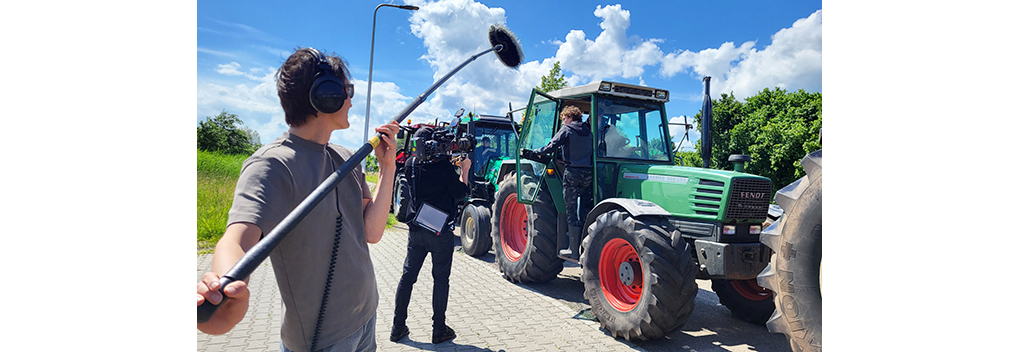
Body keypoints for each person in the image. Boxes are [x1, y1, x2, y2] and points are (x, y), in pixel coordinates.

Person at [196, 47, 400, 352]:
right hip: (321, 340)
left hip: (365, 316)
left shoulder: (347, 158)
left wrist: (387, 167)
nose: (351, 100)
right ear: (325, 95)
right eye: (347, 91)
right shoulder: (272, 164)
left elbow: (371, 232)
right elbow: (236, 239)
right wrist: (225, 288)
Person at [390, 126, 471, 344]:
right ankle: (438, 329)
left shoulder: (410, 164)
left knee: (408, 277)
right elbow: (460, 194)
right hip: (440, 231)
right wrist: (464, 170)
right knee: (441, 280)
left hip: (416, 227)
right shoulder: (443, 166)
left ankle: (397, 327)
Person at [529, 105, 593, 260]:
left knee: (570, 210)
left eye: (564, 118)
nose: (563, 122)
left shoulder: (567, 129)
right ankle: (586, 245)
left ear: (569, 117)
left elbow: (552, 146)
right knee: (585, 208)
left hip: (573, 173)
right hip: (589, 173)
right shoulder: (589, 131)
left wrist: (537, 152)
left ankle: (572, 249)